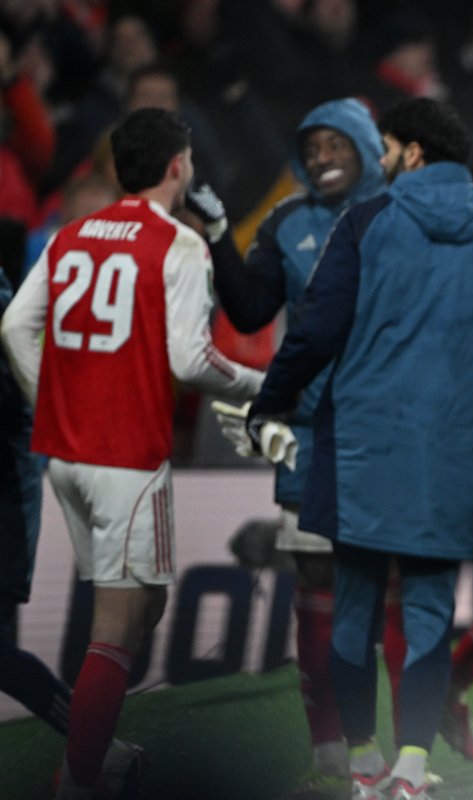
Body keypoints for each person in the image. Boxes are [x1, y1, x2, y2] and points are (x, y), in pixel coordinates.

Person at [245, 97, 473, 800]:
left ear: (413, 152)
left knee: (354, 607)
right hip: (455, 454)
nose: (382, 159)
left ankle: (363, 763)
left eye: (390, 147)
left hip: (362, 448)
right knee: (430, 611)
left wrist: (271, 401)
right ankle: (410, 768)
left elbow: (315, 329)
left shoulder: (367, 221)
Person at [0, 107, 264, 800]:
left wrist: (50, 399)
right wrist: (264, 386)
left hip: (68, 458)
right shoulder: (178, 244)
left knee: (143, 605)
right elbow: (192, 359)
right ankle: (83, 778)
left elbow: (15, 324)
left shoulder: (72, 234)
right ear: (178, 166)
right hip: (125, 457)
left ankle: (94, 759)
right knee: (119, 627)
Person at [200, 96, 389, 791]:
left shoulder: (402, 214)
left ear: (365, 146)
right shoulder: (287, 221)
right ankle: (328, 745)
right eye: (311, 150)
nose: (321, 159)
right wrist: (218, 236)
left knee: (388, 583)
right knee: (315, 579)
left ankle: (396, 742)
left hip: (390, 430)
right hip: (308, 432)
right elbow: (252, 309)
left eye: (335, 145)